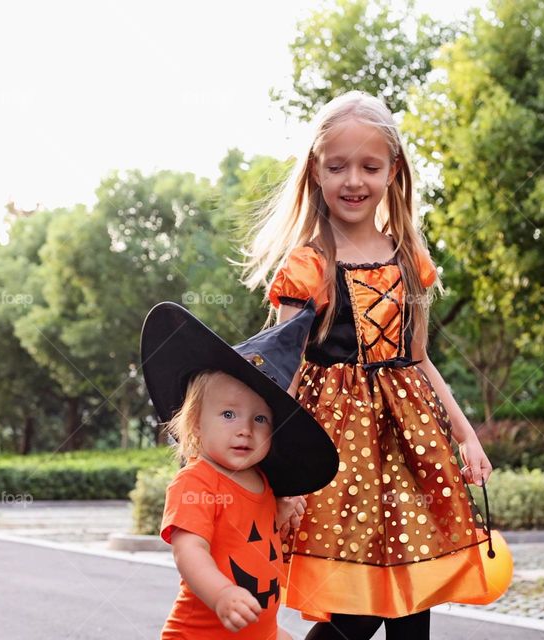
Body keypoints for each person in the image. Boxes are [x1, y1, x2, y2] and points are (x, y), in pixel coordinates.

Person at [242, 90, 494, 640]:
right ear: (315, 170)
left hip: (410, 447)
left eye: (369, 166)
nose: (353, 180)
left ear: (392, 171)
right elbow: (278, 375)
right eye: (337, 166)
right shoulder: (308, 264)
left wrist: (466, 435)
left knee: (414, 595)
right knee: (355, 613)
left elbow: (419, 358)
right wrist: (283, 479)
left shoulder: (410, 260)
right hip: (336, 456)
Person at [140, 301, 339, 639]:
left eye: (260, 419)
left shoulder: (262, 482)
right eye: (229, 415)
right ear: (196, 425)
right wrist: (222, 594)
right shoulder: (196, 482)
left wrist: (279, 516)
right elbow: (190, 551)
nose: (245, 429)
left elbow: (249, 543)